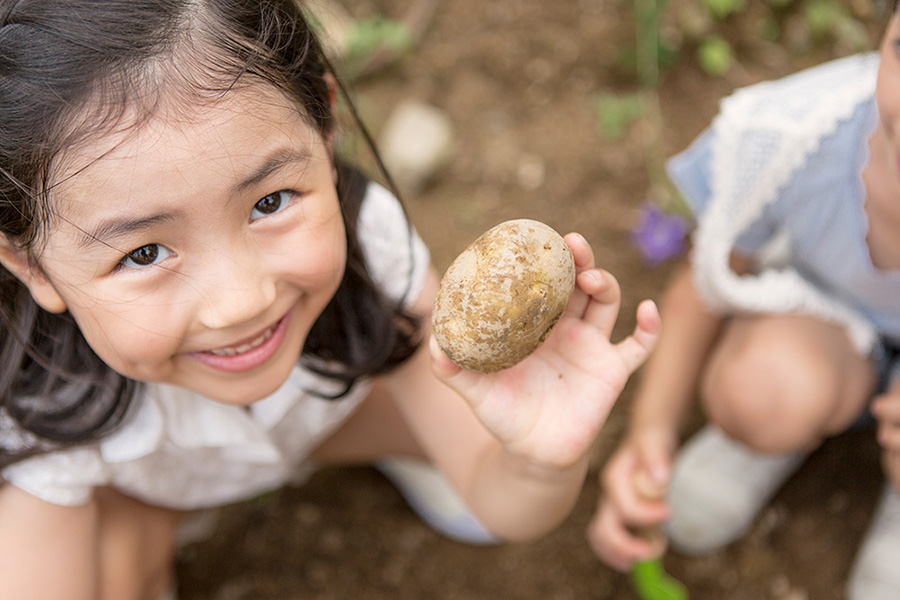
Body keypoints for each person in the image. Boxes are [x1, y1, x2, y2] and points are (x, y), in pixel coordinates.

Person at [0, 1, 661, 598]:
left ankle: (388, 433)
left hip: (326, 416)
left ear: (326, 126)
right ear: (32, 266)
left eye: (269, 202)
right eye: (143, 253)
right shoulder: (37, 402)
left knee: (474, 454)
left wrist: (535, 459)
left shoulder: (368, 244)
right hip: (147, 484)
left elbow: (507, 510)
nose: (241, 302)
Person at [588, 4, 900, 598]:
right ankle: (794, 419)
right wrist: (649, 433)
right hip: (827, 323)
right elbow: (704, 282)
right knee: (759, 391)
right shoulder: (796, 137)